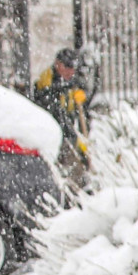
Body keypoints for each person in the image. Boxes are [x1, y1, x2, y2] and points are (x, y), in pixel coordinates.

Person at [32, 48, 90, 178]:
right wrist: (72, 137)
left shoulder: (74, 81)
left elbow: (84, 109)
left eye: (73, 68)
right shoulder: (46, 81)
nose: (71, 71)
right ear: (57, 64)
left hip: (69, 131)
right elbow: (52, 108)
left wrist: (83, 95)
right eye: (67, 67)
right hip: (53, 133)